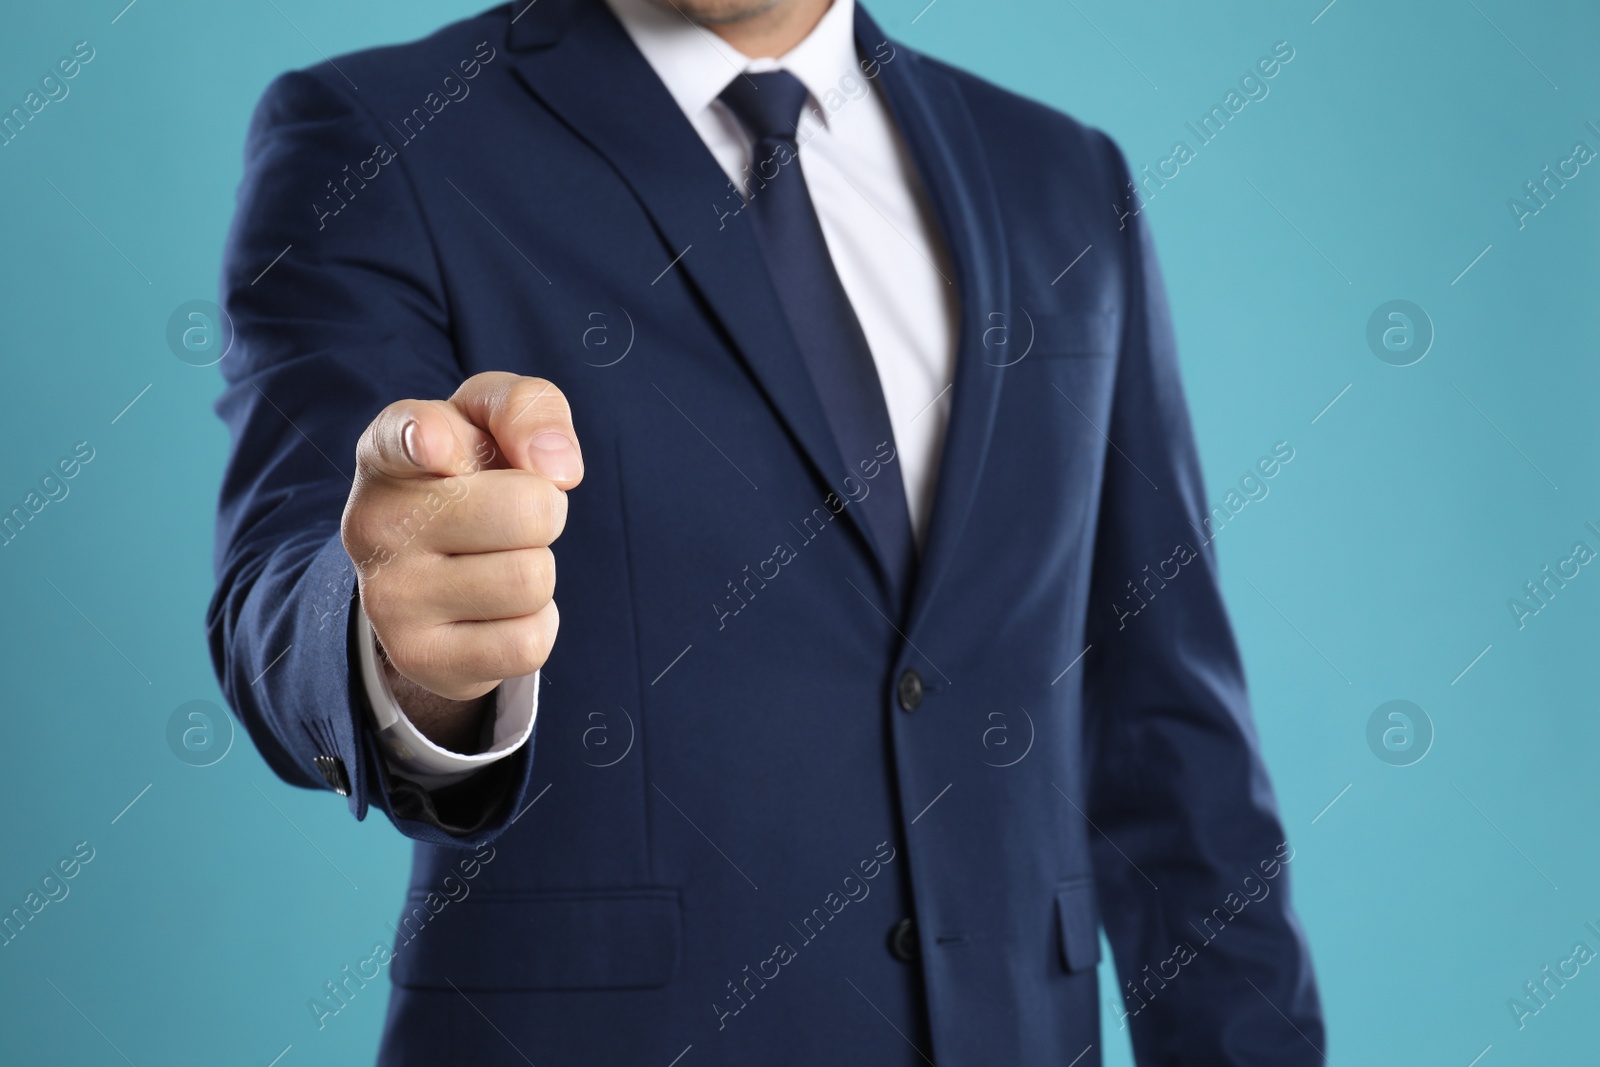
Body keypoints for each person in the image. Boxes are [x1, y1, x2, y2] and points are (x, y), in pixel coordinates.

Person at [207, 0, 1325, 1062]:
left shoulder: (1067, 180)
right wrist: (398, 649)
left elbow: (1169, 731)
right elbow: (284, 579)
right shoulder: (380, 134)